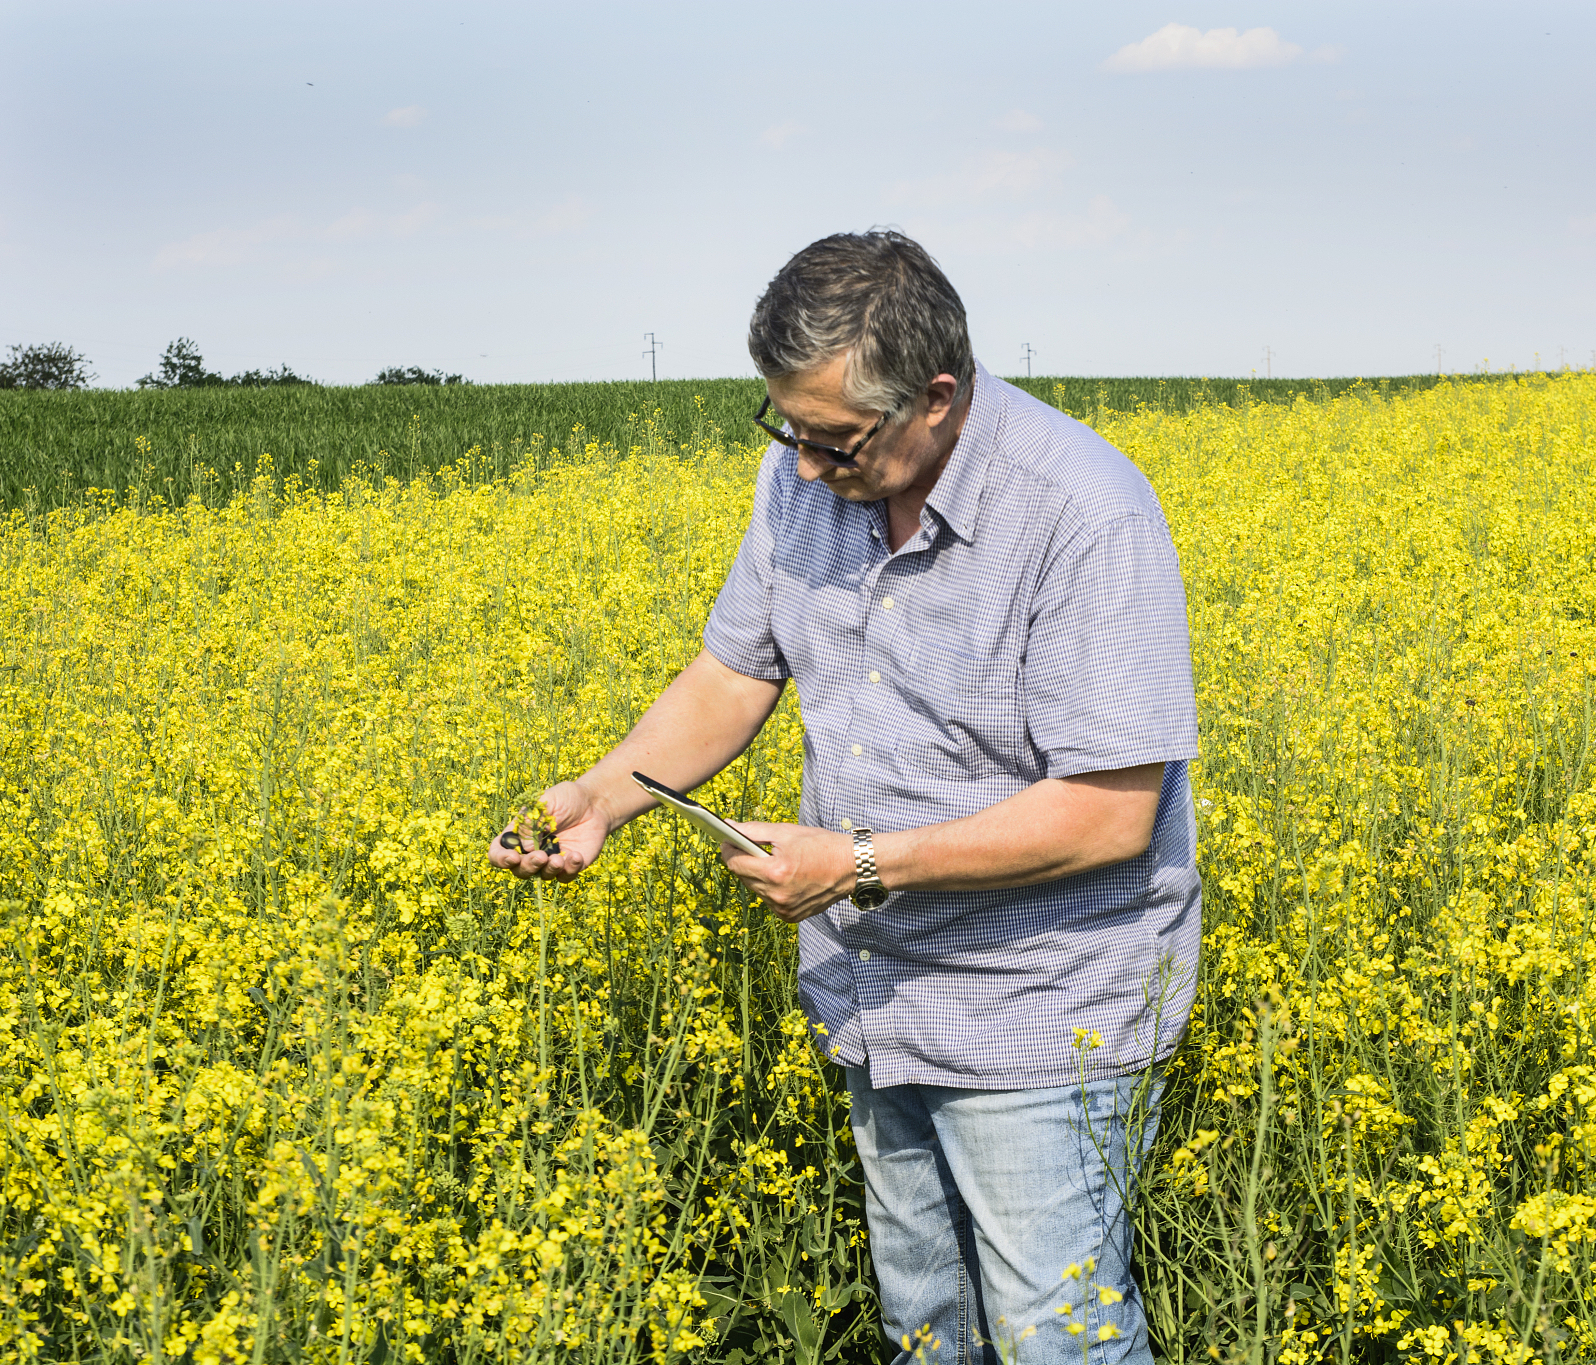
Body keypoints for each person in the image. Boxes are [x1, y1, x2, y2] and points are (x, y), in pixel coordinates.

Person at [489, 230, 1199, 1362]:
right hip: (874, 998)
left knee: (1054, 1338)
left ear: (935, 396)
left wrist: (860, 864)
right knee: (928, 1329)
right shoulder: (806, 477)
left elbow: (1109, 812)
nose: (806, 467)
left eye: (834, 439)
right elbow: (734, 670)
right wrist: (605, 795)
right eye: (787, 429)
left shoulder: (1081, 513)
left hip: (1033, 1011)